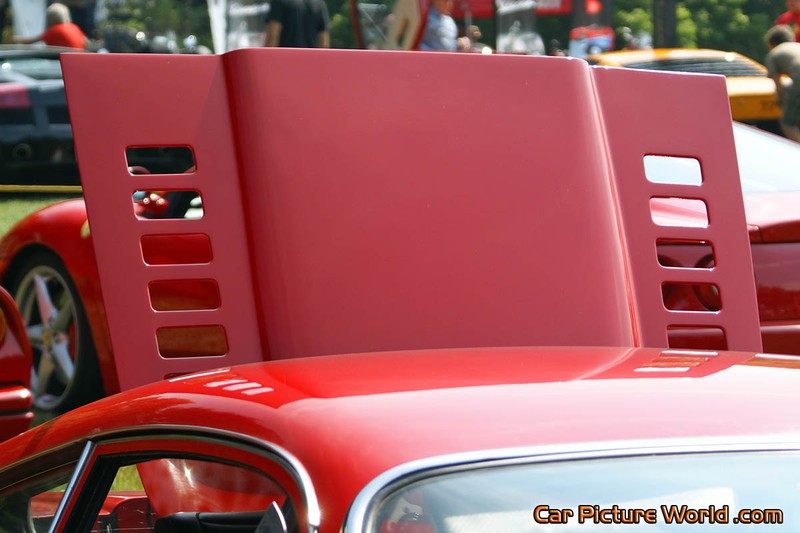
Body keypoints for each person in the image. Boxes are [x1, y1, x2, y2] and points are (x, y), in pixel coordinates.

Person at [765, 25, 800, 142]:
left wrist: (780, 102)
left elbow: (778, 86)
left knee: (787, 123)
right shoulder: (796, 46)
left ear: (772, 43)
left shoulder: (773, 53)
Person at [13, 2, 89, 49]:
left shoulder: (55, 30)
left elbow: (31, 41)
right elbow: (86, 43)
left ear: (52, 18)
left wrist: (15, 39)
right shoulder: (73, 27)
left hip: (65, 61)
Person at [264, 0, 330, 48]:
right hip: (310, 61)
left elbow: (273, 34)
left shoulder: (278, 2)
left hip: (286, 59)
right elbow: (324, 41)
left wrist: (267, 59)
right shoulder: (320, 3)